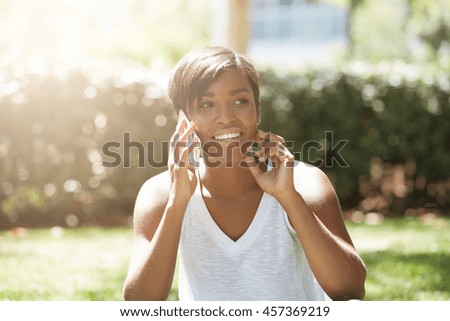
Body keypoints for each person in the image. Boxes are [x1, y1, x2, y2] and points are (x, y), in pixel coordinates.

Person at [123, 46, 366, 301]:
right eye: (206, 104)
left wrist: (289, 197)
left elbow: (351, 289)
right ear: (182, 118)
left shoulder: (304, 182)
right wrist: (177, 202)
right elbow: (139, 304)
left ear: (258, 109)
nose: (226, 117)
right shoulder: (160, 193)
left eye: (240, 101)